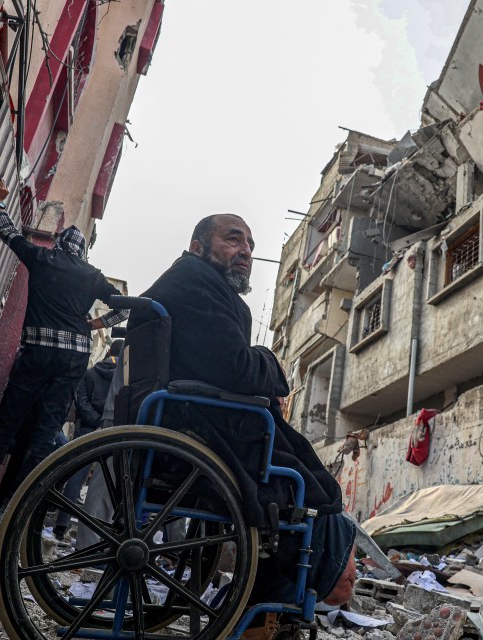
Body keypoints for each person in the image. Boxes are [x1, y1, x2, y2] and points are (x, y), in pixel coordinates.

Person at [129, 214, 356, 614]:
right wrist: (272, 366)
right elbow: (234, 367)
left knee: (307, 484)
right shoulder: (195, 283)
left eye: (250, 244)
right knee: (310, 493)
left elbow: (224, 367)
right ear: (199, 246)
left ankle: (266, 598)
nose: (246, 252)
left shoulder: (198, 284)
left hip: (197, 423)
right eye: (233, 240)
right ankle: (277, 600)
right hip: (202, 431)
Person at [0, 179, 129, 524]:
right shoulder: (92, 275)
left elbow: (10, 234)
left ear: (58, 244)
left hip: (38, 352)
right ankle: (8, 516)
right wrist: (95, 326)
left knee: (6, 428)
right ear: (82, 252)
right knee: (42, 436)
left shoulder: (43, 258)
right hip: (73, 359)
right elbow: (124, 309)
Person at [51, 338, 123, 541]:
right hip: (112, 430)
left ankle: (60, 526)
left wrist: (94, 422)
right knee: (107, 484)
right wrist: (105, 424)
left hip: (87, 431)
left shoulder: (90, 373)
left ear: (108, 350)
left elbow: (80, 401)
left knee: (75, 481)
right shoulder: (124, 377)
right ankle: (101, 536)